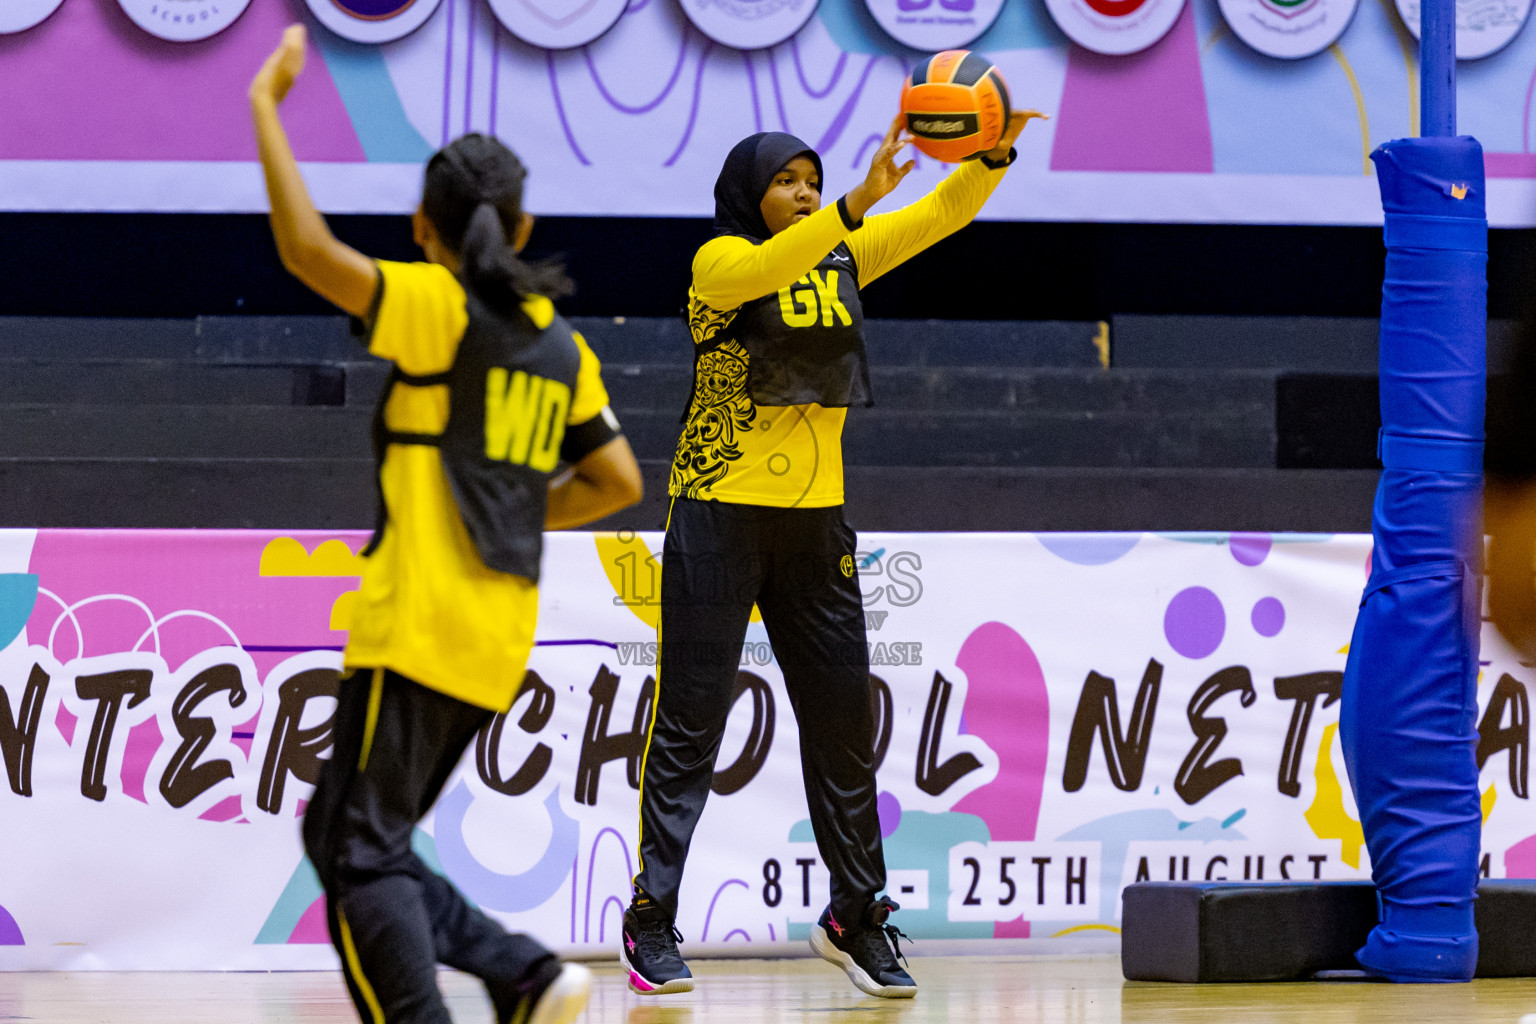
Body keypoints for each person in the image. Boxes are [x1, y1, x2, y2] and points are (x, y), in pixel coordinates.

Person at [250, 26, 643, 1024]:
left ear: (425, 226)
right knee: (351, 842)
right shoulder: (562, 345)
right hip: (494, 639)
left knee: (357, 852)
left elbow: (305, 251)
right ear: (523, 222)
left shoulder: (438, 306)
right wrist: (523, 504)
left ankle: (498, 982)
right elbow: (616, 479)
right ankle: (523, 972)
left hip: (419, 621)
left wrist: (265, 106)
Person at [621, 110, 1045, 999]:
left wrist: (992, 150)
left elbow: (939, 217)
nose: (805, 192)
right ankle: (651, 919)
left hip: (817, 526)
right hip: (718, 513)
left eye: (813, 180)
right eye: (788, 181)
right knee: (691, 725)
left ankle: (856, 916)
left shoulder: (844, 251)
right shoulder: (719, 264)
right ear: (749, 193)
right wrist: (849, 204)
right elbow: (778, 262)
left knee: (845, 729)